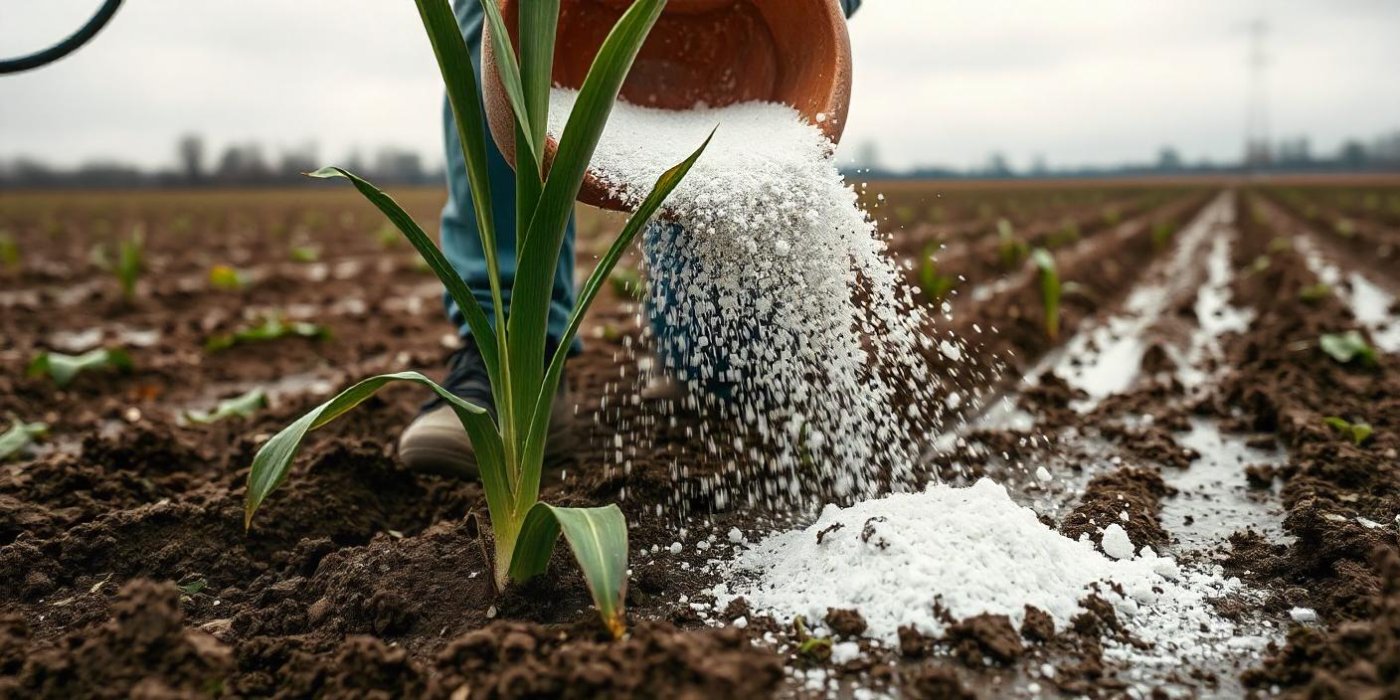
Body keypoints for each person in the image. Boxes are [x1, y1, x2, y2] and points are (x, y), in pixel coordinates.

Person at [398, 0, 861, 477]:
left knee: (723, 372)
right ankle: (512, 354)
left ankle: (713, 347)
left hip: (741, 38)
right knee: (495, 15)